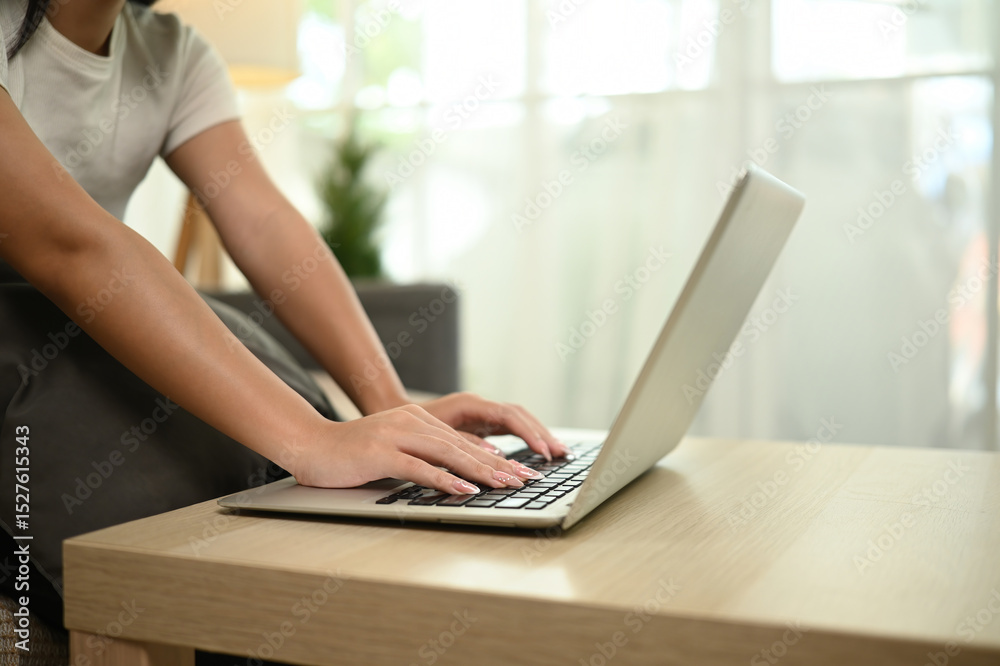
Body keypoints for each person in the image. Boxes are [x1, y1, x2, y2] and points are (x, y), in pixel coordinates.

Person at [0, 0, 565, 644]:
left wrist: (389, 406)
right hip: (23, 344)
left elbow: (265, 223)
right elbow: (70, 246)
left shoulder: (169, 52)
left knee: (270, 407)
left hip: (67, 326)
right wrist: (312, 441)